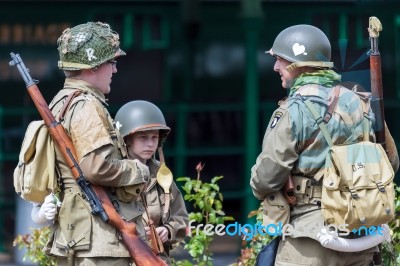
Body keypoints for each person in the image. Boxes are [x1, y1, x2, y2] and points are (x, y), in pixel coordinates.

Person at [250, 24, 399, 266]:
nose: (276, 67)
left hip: (310, 238)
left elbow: (267, 178)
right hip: (361, 234)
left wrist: (257, 185)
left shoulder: (291, 111)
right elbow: (390, 163)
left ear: (298, 63)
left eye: (280, 59)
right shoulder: (361, 104)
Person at [32, 21, 150, 266]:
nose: (115, 70)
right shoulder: (86, 105)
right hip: (100, 243)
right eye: (112, 62)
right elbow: (96, 167)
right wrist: (138, 169)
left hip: (77, 235)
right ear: (93, 67)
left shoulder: (59, 103)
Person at [114, 100, 188, 265]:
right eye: (143, 137)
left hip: (156, 259)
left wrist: (167, 231)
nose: (150, 143)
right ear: (127, 140)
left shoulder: (162, 176)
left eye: (154, 137)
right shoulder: (113, 174)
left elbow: (181, 217)